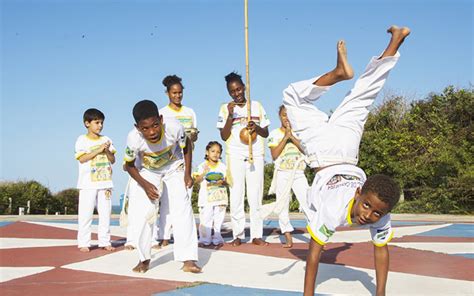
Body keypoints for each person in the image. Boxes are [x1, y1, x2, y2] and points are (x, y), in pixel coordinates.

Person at [281, 26, 410, 296]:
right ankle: (347, 69)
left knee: (362, 95)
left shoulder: (379, 208)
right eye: (367, 207)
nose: (368, 216)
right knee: (297, 97)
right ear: (358, 192)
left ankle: (396, 39)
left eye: (376, 213)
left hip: (347, 148)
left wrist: (381, 293)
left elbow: (380, 250)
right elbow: (313, 255)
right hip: (326, 154)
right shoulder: (334, 210)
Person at [124, 99, 201, 273]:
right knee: (145, 213)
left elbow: (186, 146)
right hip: (148, 171)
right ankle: (144, 259)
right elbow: (129, 165)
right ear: (137, 128)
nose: (151, 132)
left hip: (174, 167)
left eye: (155, 125)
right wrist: (145, 185)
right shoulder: (133, 139)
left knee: (182, 208)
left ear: (161, 119)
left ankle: (188, 259)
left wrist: (187, 173)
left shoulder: (174, 127)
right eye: (145, 128)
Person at [217, 72, 270, 246]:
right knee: (236, 194)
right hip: (235, 154)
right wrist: (231, 116)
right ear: (228, 92)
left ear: (244, 87)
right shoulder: (225, 108)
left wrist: (255, 126)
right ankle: (238, 234)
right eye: (232, 91)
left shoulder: (256, 106)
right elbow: (224, 136)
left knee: (255, 195)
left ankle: (256, 235)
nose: (236, 93)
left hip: (255, 153)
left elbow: (266, 132)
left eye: (239, 89)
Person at [156, 75, 198, 248]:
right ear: (167, 93)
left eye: (180, 93)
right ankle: (164, 236)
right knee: (166, 201)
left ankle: (183, 237)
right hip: (168, 161)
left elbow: (193, 136)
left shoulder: (190, 112)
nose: (178, 96)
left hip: (185, 159)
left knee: (184, 200)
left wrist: (193, 136)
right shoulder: (162, 113)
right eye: (174, 93)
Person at [266, 105, 310, 248]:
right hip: (283, 173)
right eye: (284, 115)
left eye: (289, 115)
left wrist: (293, 137)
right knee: (282, 204)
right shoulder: (274, 134)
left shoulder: (300, 132)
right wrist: (285, 138)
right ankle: (287, 236)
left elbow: (306, 150)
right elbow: (274, 155)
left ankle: (317, 235)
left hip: (298, 172)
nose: (287, 118)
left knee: (307, 202)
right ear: (280, 116)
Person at [74, 108, 116, 252]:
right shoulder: (82, 140)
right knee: (86, 214)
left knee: (105, 213)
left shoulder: (106, 140)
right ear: (87, 123)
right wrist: (98, 150)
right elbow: (82, 158)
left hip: (105, 182)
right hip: (88, 183)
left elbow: (113, 159)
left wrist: (107, 151)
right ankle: (84, 242)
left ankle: (104, 241)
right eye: (96, 122)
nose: (100, 126)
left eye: (101, 123)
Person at [193, 141, 228, 247]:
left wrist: (222, 181)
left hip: (220, 197)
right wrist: (204, 173)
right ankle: (204, 239)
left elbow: (227, 181)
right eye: (213, 151)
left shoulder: (223, 166)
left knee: (219, 218)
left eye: (218, 152)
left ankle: (217, 239)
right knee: (205, 219)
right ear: (207, 152)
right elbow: (196, 180)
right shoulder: (201, 166)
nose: (215, 154)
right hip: (206, 198)